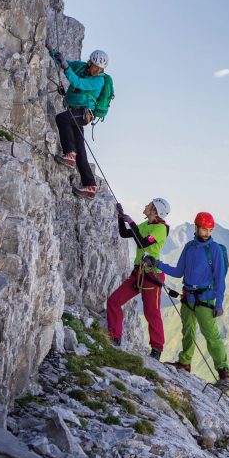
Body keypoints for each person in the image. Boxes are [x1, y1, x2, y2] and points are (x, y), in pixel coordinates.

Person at [149, 211, 229, 391]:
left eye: (209, 230)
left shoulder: (214, 249)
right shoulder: (189, 247)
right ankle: (185, 363)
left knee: (211, 336)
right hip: (188, 297)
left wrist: (219, 304)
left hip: (205, 300)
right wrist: (157, 264)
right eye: (204, 229)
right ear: (196, 228)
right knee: (188, 331)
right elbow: (179, 271)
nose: (207, 233)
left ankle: (224, 375)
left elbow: (220, 280)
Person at [106, 198, 171, 359]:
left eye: (149, 205)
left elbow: (142, 243)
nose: (146, 206)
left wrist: (132, 223)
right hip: (138, 274)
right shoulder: (147, 225)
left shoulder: (160, 229)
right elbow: (125, 233)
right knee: (113, 301)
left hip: (150, 274)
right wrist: (121, 218)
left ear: (155, 211)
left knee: (151, 313)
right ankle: (114, 338)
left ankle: (157, 348)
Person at [45, 44, 108, 199]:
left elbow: (78, 83)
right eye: (95, 67)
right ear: (90, 63)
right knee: (80, 147)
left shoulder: (99, 81)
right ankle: (90, 185)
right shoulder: (80, 67)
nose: (97, 71)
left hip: (84, 113)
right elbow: (64, 63)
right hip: (74, 110)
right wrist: (53, 52)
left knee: (61, 118)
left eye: (100, 69)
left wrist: (66, 67)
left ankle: (69, 154)